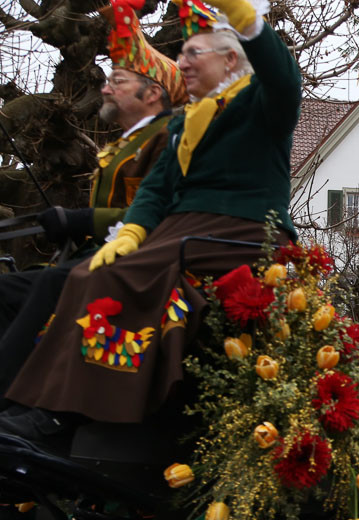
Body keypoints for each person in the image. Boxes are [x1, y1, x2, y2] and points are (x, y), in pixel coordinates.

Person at [0, 0, 300, 443]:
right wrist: (132, 232)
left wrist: (245, 18)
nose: (181, 63)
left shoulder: (259, 105)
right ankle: (32, 403)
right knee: (88, 272)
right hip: (180, 231)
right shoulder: (183, 124)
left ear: (231, 59)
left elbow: (284, 79)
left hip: (240, 232)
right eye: (181, 55)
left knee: (116, 278)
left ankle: (62, 414)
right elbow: (157, 191)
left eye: (194, 54)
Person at [0, 0, 186, 403]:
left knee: (51, 282)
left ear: (152, 92)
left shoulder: (166, 139)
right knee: (10, 286)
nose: (105, 86)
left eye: (117, 80)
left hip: (142, 263)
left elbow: (154, 214)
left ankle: (16, 396)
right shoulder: (129, 140)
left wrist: (79, 219)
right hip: (104, 254)